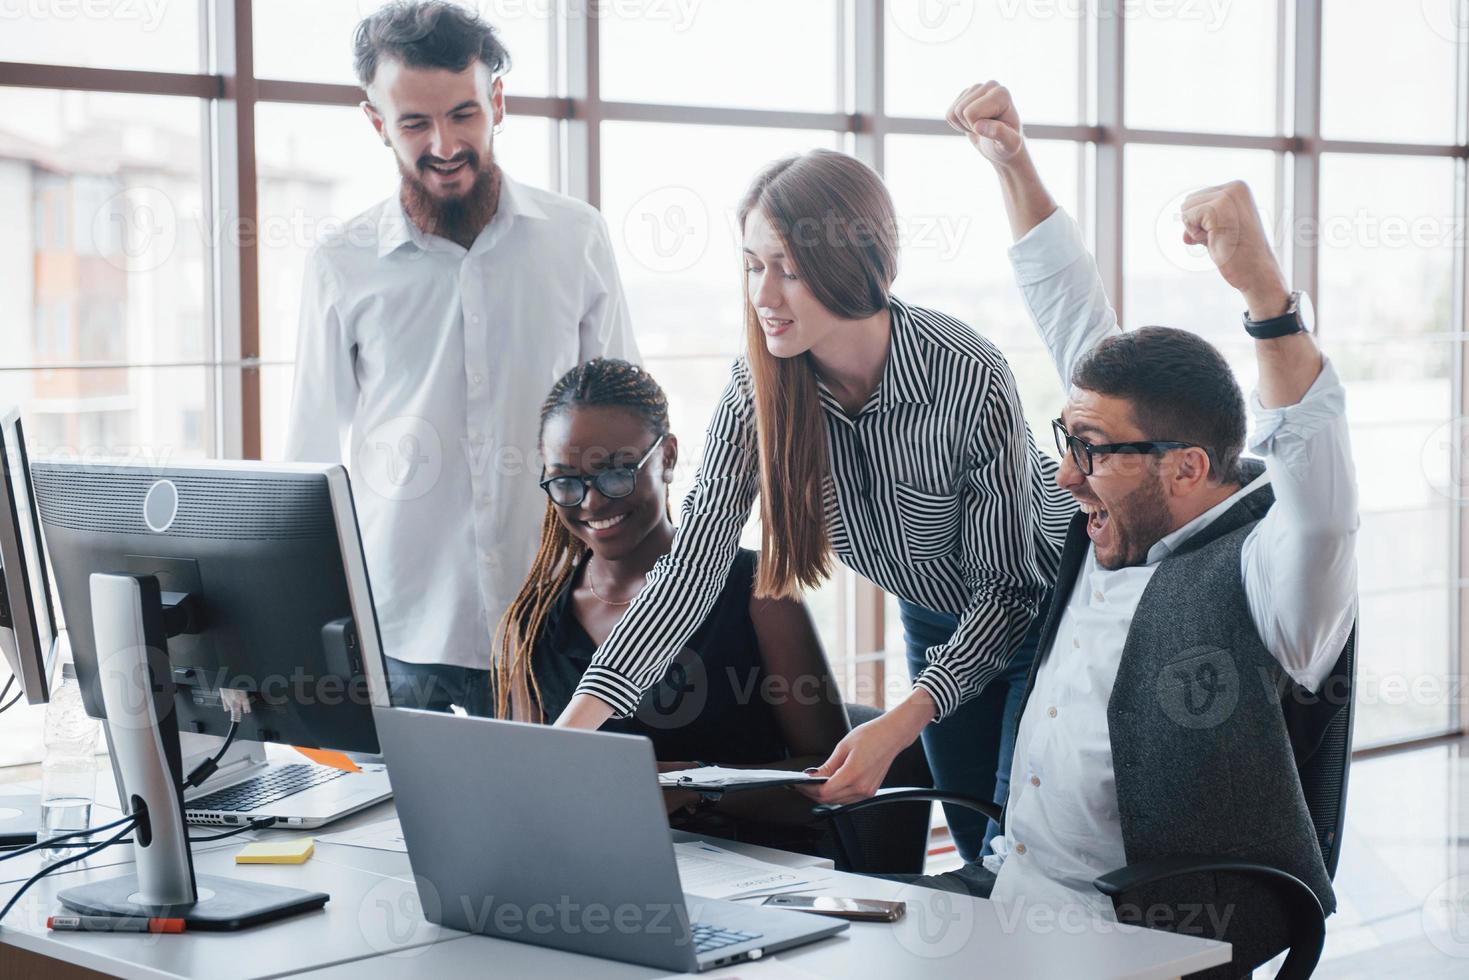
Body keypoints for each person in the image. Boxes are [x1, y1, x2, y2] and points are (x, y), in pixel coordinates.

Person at [912, 81, 1357, 978]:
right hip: (1006, 907)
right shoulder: (1115, 497)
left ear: (1187, 466)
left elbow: (1322, 496)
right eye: (1065, 442)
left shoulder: (1275, 579)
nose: (1065, 477)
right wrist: (1013, 162)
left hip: (1143, 947)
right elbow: (1071, 312)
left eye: (1092, 453)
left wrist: (1264, 292)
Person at [554, 147, 1076, 862]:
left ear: (854, 264)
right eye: (750, 265)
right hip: (934, 611)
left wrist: (896, 724)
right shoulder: (757, 392)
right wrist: (569, 736)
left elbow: (1009, 589)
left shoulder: (965, 376)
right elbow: (690, 573)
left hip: (1042, 611)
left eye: (788, 269)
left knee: (1015, 854)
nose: (762, 295)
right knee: (972, 843)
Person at [284, 1, 636, 715]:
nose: (444, 144)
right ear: (377, 123)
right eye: (414, 123)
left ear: (497, 103)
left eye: (463, 114)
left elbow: (628, 432)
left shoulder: (577, 238)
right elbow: (309, 458)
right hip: (405, 630)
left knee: (567, 825)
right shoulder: (340, 262)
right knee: (402, 831)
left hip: (558, 621)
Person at [495, 357, 849, 846]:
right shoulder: (534, 621)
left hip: (761, 876)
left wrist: (690, 789)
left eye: (616, 474)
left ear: (666, 457)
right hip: (605, 877)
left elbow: (832, 777)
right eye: (566, 481)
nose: (592, 502)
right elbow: (532, 783)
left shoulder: (758, 590)